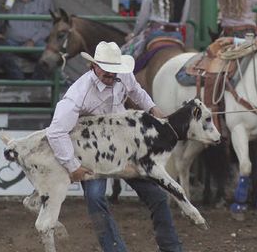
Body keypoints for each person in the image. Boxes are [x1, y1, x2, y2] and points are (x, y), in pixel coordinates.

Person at [46, 41, 182, 252]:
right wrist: (72, 166)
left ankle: (171, 248)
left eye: (114, 73)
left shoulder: (122, 75)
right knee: (96, 199)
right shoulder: (78, 94)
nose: (112, 77)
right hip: (93, 153)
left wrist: (153, 108)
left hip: (124, 147)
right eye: (107, 73)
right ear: (94, 67)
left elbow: (137, 91)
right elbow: (55, 132)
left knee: (156, 195)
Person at [3, 0, 54, 79]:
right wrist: (4, 8)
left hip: (35, 43)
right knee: (0, 50)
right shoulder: (10, 0)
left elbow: (48, 26)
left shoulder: (44, 0)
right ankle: (19, 81)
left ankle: (37, 84)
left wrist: (32, 40)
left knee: (48, 55)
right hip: (12, 42)